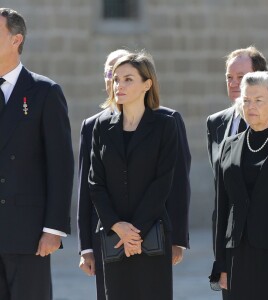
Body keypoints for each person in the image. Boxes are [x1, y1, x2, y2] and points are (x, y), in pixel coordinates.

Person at [78, 49, 191, 298]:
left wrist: (135, 232)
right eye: (116, 79)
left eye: (128, 79)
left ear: (147, 84)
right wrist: (117, 226)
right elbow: (94, 183)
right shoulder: (100, 127)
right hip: (113, 237)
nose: (119, 85)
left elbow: (163, 183)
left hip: (151, 236)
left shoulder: (165, 125)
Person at [206, 46, 268, 299]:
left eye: (259, 100)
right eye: (246, 100)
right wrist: (221, 264)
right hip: (238, 256)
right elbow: (223, 208)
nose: (251, 106)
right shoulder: (230, 145)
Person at [0, 8, 74, 300]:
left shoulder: (45, 91)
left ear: (16, 39)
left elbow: (61, 165)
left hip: (27, 232)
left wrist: (54, 228)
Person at [77, 48, 130, 300]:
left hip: (148, 234)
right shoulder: (91, 126)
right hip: (104, 236)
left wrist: (178, 240)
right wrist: (86, 247)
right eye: (110, 72)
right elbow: (87, 189)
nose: (115, 79)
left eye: (123, 74)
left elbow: (173, 186)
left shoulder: (164, 121)